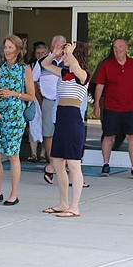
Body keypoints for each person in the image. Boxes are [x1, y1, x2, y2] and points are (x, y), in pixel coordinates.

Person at [0, 34, 35, 206]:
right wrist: (0, 93)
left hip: (15, 115)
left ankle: (14, 194)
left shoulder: (25, 69)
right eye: (5, 47)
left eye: (10, 47)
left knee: (12, 155)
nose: (6, 50)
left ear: (19, 50)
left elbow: (31, 96)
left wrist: (14, 94)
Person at [40, 42, 90, 217]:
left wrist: (71, 54)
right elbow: (44, 65)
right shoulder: (64, 73)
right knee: (59, 164)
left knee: (74, 165)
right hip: (61, 121)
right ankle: (63, 202)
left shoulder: (83, 75)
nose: (65, 58)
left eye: (67, 55)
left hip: (73, 122)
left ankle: (74, 207)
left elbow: (77, 68)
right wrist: (54, 54)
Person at [93, 38, 133, 180]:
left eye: (120, 47)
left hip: (130, 108)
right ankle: (106, 164)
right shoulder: (106, 65)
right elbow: (99, 86)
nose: (118, 50)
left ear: (126, 48)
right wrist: (97, 103)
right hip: (111, 107)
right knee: (108, 136)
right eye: (115, 47)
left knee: (132, 137)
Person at [34, 35, 66, 184]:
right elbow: (33, 81)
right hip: (48, 101)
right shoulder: (42, 62)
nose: (59, 49)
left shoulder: (69, 61)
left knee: (64, 134)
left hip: (65, 103)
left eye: (61, 46)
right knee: (49, 134)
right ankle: (53, 163)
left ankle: (58, 167)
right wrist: (41, 101)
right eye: (56, 46)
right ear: (52, 47)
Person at [26, 41, 48, 164]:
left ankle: (42, 154)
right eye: (38, 53)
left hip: (48, 98)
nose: (40, 55)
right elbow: (31, 84)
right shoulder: (30, 65)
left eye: (43, 53)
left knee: (46, 126)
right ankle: (33, 154)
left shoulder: (50, 64)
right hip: (34, 98)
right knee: (33, 124)